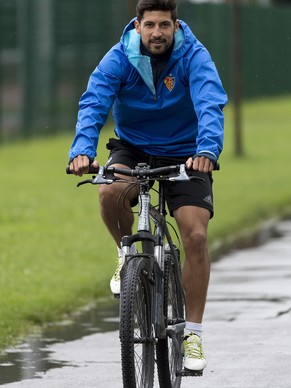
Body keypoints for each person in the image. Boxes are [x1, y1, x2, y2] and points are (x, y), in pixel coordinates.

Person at [68, 0, 227, 373]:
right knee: (109, 189)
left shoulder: (194, 56)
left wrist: (207, 149)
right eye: (150, 25)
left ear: (176, 25)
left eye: (165, 25)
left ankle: (192, 333)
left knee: (195, 236)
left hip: (188, 153)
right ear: (137, 25)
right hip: (134, 146)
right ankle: (126, 255)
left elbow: (209, 102)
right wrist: (81, 152)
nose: (157, 32)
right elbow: (93, 103)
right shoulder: (119, 58)